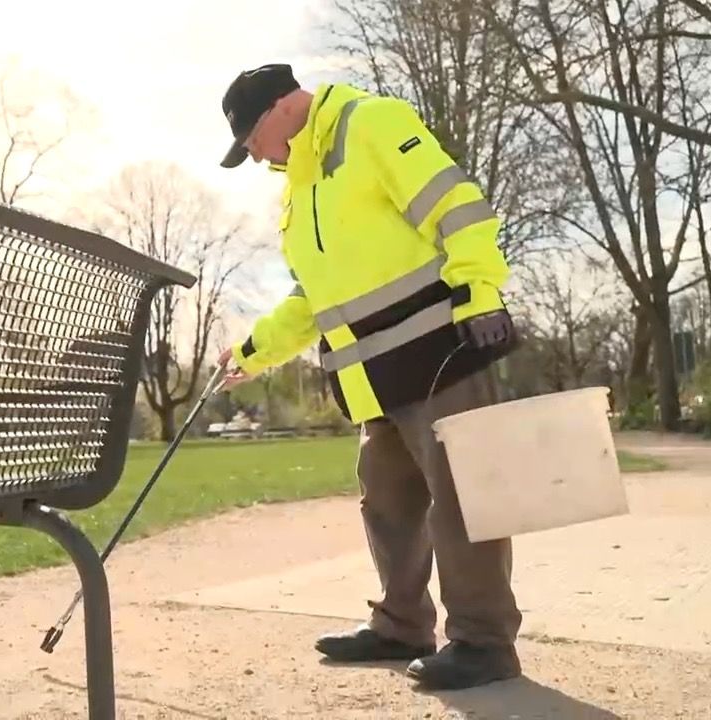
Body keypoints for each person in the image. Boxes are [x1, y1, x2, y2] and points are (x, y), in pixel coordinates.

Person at [214, 63, 523, 691]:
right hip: (371, 377)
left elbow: (458, 208)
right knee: (387, 504)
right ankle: (402, 624)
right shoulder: (298, 191)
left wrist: (480, 290)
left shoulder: (372, 123)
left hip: (438, 351)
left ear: (279, 110)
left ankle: (484, 641)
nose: (254, 156)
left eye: (251, 142)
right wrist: (252, 349)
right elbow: (314, 301)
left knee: (461, 499)